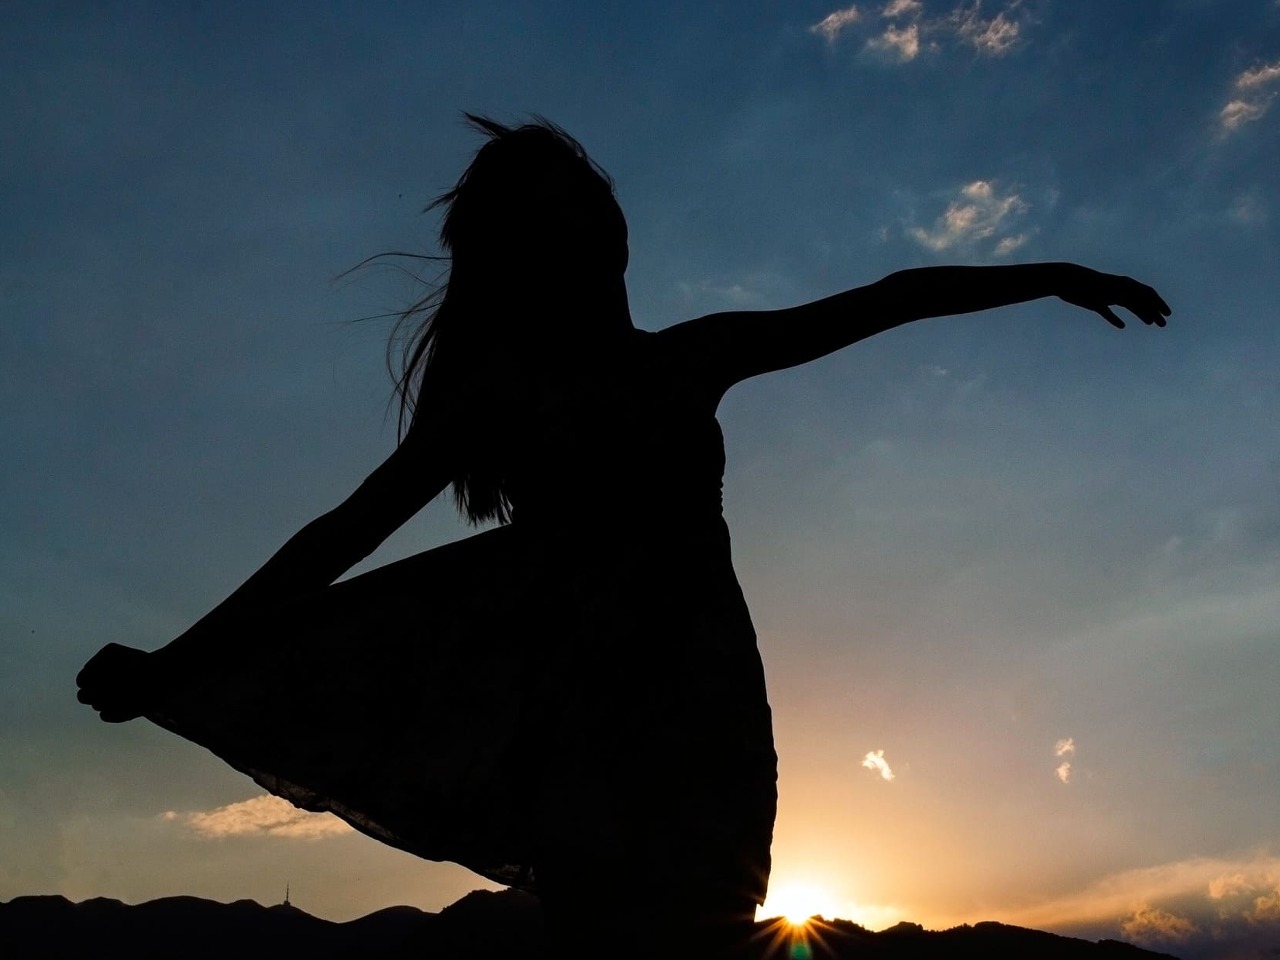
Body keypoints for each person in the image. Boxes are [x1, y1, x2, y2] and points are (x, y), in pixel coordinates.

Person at [77, 116, 1171, 958]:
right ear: (520, 257)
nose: (588, 235)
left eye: (591, 213)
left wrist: (1052, 277)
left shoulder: (689, 359)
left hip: (711, 710)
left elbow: (882, 298)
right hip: (580, 719)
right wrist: (178, 660)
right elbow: (341, 534)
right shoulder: (499, 396)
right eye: (553, 220)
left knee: (714, 921)